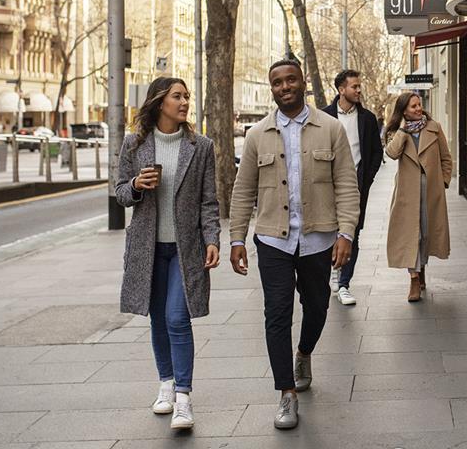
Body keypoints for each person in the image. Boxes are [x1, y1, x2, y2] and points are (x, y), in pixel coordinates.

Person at [228, 60, 359, 430]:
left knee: (317, 306)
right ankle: (286, 392)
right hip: (272, 240)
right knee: (277, 313)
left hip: (319, 238)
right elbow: (243, 192)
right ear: (271, 88)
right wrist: (237, 238)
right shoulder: (257, 134)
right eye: (277, 82)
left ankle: (304, 353)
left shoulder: (331, 129)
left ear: (303, 83)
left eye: (290, 80)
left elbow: (348, 185)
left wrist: (346, 233)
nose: (284, 87)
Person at [115, 77, 220, 430]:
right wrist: (135, 186)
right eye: (178, 96)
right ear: (160, 102)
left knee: (177, 317)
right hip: (148, 248)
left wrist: (212, 239)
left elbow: (209, 200)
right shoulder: (135, 144)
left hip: (184, 249)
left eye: (187, 96)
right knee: (158, 319)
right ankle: (165, 384)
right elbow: (120, 194)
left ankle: (184, 398)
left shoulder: (201, 145)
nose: (185, 101)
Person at [322, 69, 383, 305]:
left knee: (352, 234)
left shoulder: (367, 118)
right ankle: (331, 276)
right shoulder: (324, 117)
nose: (358, 90)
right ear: (341, 90)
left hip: (357, 187)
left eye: (359, 86)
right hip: (327, 188)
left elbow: (376, 153)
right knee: (328, 232)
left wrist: (366, 180)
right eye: (354, 87)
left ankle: (344, 284)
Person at [384, 92, 452, 302]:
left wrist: (444, 183)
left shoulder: (434, 128)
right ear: (404, 110)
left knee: (425, 232)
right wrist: (403, 131)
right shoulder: (396, 131)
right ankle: (414, 279)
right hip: (407, 191)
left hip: (431, 189)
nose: (418, 109)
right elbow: (391, 153)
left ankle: (421, 269)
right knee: (410, 233)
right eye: (413, 106)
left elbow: (446, 158)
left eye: (419, 105)